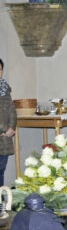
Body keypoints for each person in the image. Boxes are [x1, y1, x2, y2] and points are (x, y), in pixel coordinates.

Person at [0, 59, 17, 187]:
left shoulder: (5, 89)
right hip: (3, 132)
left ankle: (0, 196)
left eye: (0, 69)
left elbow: (12, 110)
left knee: (1, 170)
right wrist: (5, 129)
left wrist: (12, 127)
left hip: (4, 137)